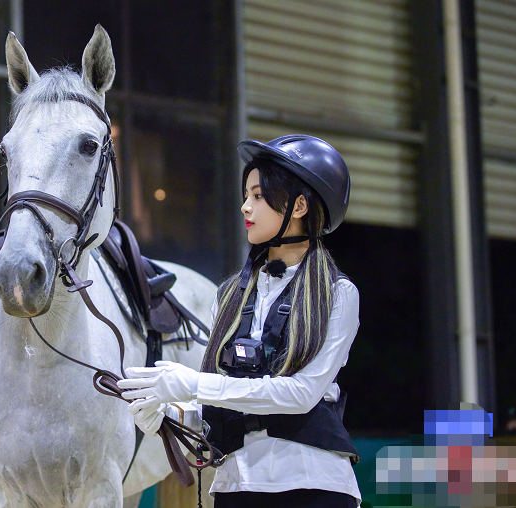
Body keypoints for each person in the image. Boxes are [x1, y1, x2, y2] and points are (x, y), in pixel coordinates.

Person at [117, 135, 362, 508]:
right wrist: (168, 415)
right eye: (247, 195)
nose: (245, 206)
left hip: (312, 485)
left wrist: (194, 384)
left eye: (259, 196)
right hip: (235, 488)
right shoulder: (230, 295)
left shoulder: (338, 294)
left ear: (298, 205)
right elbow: (219, 409)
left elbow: (300, 395)